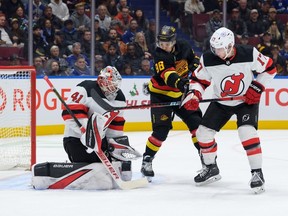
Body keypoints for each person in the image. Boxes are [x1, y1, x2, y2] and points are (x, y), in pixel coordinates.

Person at [183, 27, 276, 193]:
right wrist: (194, 94)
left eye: (220, 48)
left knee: (246, 132)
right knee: (203, 133)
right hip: (221, 102)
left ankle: (257, 173)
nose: (216, 52)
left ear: (230, 45)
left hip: (245, 101)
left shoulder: (249, 53)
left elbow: (270, 69)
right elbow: (198, 79)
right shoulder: (208, 58)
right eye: (215, 48)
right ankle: (211, 168)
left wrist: (257, 87)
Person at [141, 25, 202, 182]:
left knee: (197, 126)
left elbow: (194, 59)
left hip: (181, 95)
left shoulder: (185, 46)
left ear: (174, 41)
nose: (164, 46)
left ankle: (207, 161)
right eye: (161, 43)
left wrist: (195, 69)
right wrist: (184, 84)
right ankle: (147, 159)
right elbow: (169, 76)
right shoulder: (160, 54)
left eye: (167, 43)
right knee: (161, 131)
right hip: (161, 96)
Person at [61, 66, 139, 188]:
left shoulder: (120, 98)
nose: (114, 87)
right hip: (75, 139)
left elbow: (115, 127)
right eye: (110, 83)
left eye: (115, 84)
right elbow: (69, 113)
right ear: (101, 80)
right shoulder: (85, 88)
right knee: (90, 171)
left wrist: (115, 147)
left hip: (100, 141)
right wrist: (88, 133)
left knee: (105, 171)